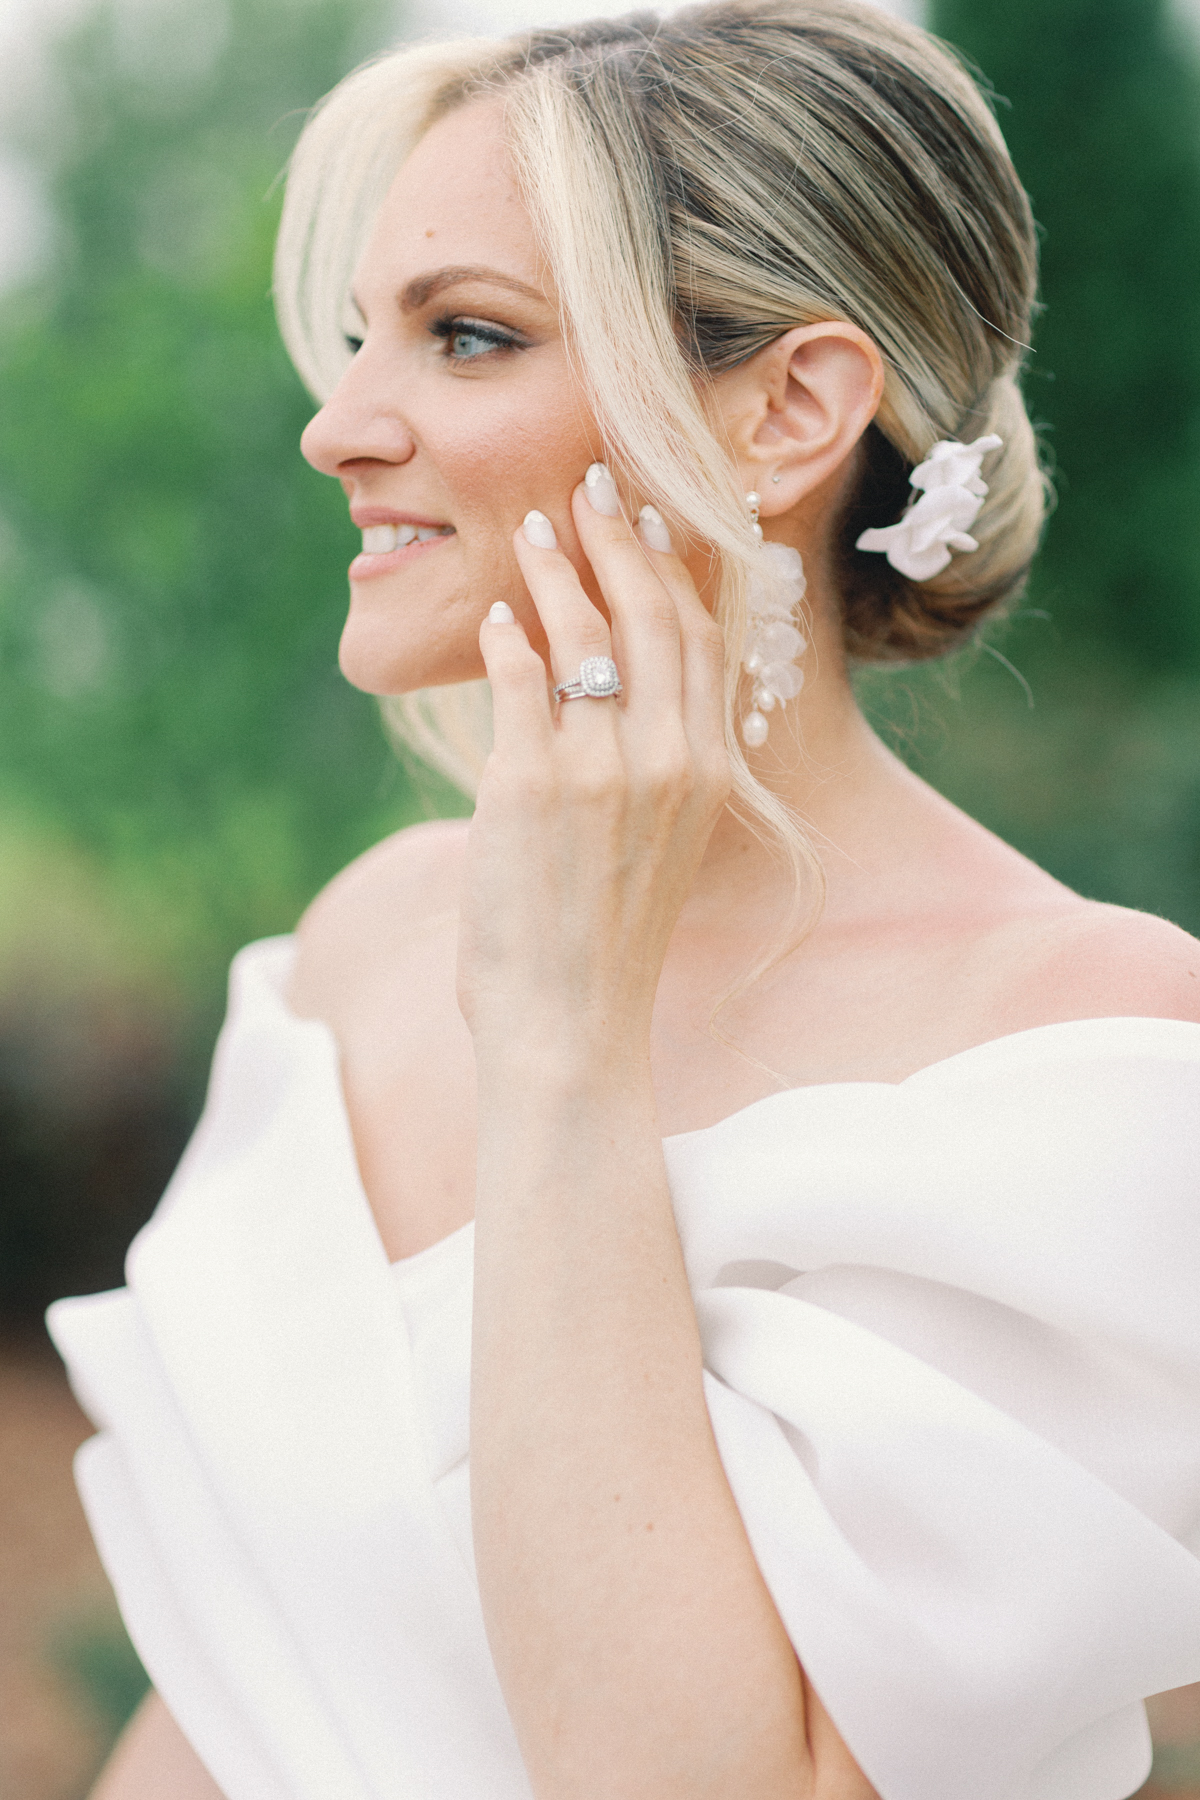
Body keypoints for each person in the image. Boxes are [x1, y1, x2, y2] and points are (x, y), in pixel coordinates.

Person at [49, 3, 1200, 1797]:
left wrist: (565, 1036)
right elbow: (225, 1700)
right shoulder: (363, 949)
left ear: (789, 410)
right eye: (359, 338)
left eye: (467, 335)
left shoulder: (1095, 1062)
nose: (337, 428)